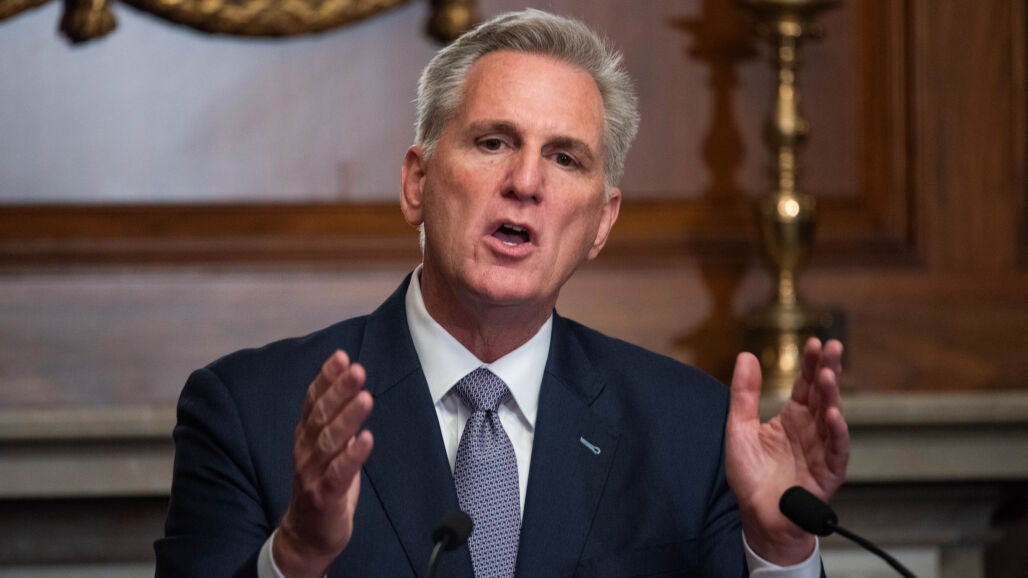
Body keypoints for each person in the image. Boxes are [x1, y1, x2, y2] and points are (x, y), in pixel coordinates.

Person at [155, 9, 848, 577]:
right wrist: (296, 558)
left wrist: (781, 551)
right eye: (493, 142)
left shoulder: (691, 432)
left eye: (564, 157)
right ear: (416, 182)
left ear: (601, 224)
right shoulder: (249, 412)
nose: (526, 182)